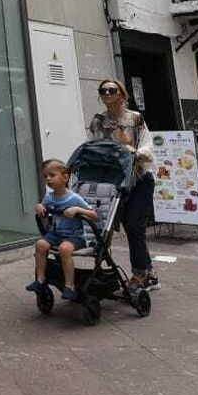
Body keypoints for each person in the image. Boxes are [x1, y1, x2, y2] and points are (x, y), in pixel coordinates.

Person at [86, 79, 155, 289]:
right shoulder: (98, 121)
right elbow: (93, 145)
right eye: (103, 90)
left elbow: (148, 145)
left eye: (111, 90)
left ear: (121, 94)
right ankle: (150, 271)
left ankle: (139, 274)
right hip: (113, 181)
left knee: (134, 225)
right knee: (127, 227)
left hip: (139, 178)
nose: (107, 93)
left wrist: (134, 152)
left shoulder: (135, 118)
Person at [26, 158, 98, 302]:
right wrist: (39, 207)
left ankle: (69, 286)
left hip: (74, 237)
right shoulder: (49, 197)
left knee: (64, 249)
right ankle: (40, 280)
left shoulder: (74, 198)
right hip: (55, 234)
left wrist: (77, 210)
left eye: (52, 175)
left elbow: (94, 215)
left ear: (65, 177)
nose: (48, 179)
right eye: (45, 176)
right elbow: (43, 209)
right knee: (40, 245)